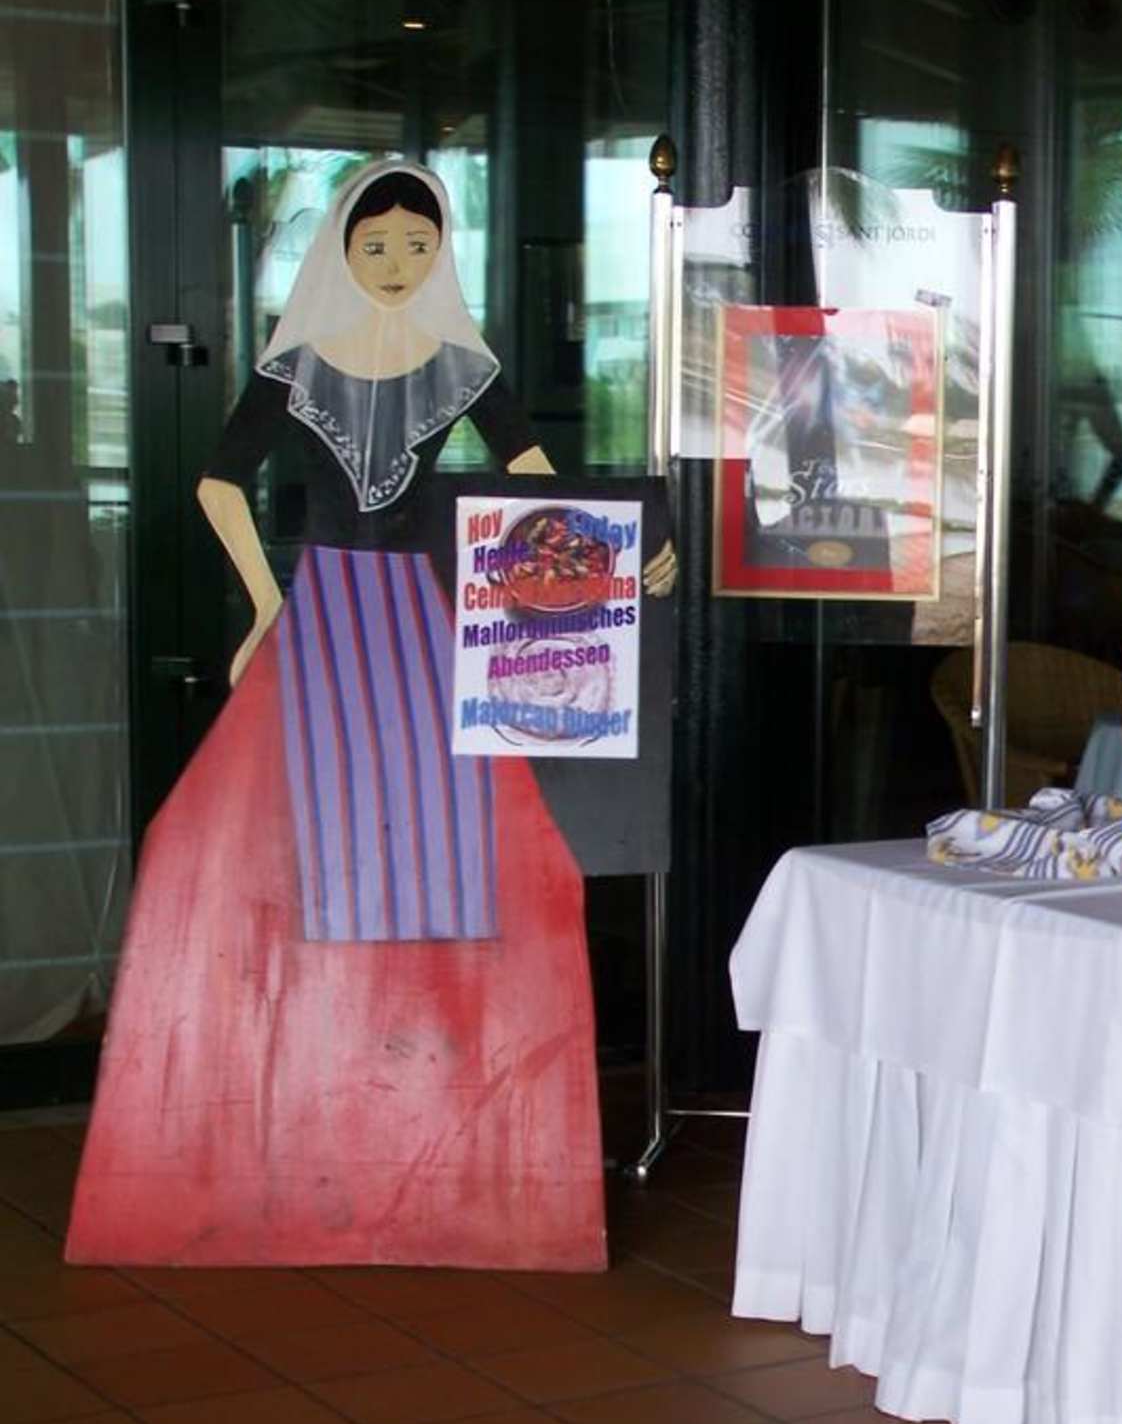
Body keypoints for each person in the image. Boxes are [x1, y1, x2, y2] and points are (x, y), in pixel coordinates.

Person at [66, 161, 674, 1270]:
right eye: (378, 245)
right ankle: (290, 1120)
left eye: (418, 247)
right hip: (327, 613)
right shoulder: (297, 362)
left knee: (474, 848)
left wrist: (630, 550)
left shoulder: (460, 366)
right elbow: (218, 479)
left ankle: (444, 1134)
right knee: (260, 851)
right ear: (344, 250)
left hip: (429, 619)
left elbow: (537, 485)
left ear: (442, 254)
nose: (398, 264)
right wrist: (267, 602)